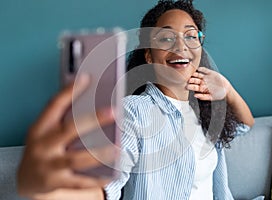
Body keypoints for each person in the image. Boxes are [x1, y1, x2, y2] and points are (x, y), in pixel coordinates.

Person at [17, 0, 254, 199]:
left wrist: (228, 90)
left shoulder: (205, 109)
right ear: (149, 55)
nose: (181, 45)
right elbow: (104, 188)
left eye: (191, 36)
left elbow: (245, 125)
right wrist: (48, 190)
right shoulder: (134, 113)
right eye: (165, 38)